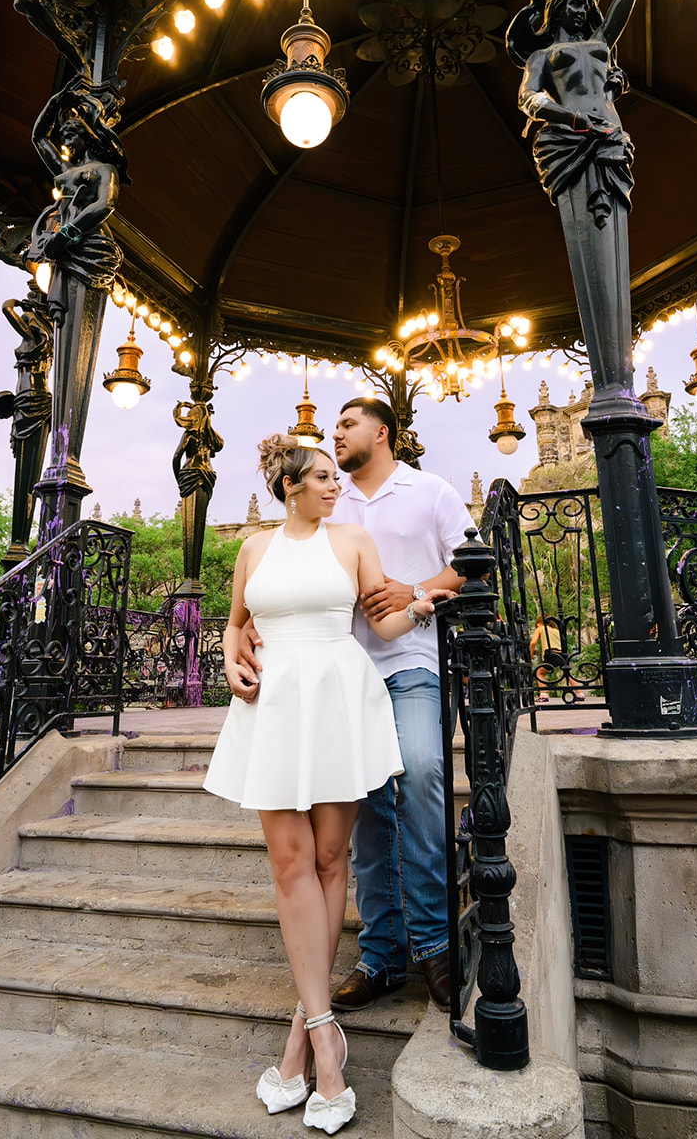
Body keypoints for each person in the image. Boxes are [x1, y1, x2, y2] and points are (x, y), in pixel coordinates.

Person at [205, 434, 449, 1134]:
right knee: (289, 864)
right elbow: (235, 624)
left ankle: (303, 1038)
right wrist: (229, 656)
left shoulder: (351, 541)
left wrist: (427, 598)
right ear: (288, 486)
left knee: (330, 859)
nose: (332, 484)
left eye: (330, 475)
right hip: (274, 701)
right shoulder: (253, 547)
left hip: (339, 692)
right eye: (318, 477)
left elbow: (387, 619)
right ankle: (321, 1035)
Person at [238, 398, 470, 1013]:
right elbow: (258, 601)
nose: (335, 436)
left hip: (409, 663)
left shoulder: (431, 491)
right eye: (332, 431)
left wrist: (419, 591)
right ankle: (382, 953)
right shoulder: (325, 510)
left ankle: (436, 942)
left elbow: (471, 564)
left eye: (346, 425)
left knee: (420, 773)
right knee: (363, 807)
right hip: (337, 680)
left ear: (382, 431)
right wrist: (247, 636)